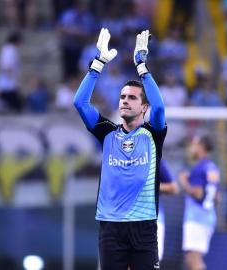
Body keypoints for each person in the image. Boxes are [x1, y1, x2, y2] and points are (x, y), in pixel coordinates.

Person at [73, 28, 166, 270]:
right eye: (122, 96)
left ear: (144, 107)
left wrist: (142, 66)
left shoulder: (153, 133)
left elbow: (160, 108)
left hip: (144, 226)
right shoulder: (107, 132)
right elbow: (80, 102)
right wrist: (98, 63)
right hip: (110, 226)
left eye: (132, 98)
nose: (124, 100)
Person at [179, 135, 221, 270]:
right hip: (208, 217)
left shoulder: (199, 168)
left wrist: (184, 182)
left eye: (194, 144)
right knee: (190, 259)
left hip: (196, 217)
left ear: (201, 147)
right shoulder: (212, 167)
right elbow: (217, 197)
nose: (191, 148)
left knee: (194, 260)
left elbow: (198, 194)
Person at [157, 159, 179, 262]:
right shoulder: (122, 159)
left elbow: (174, 188)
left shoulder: (156, 159)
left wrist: (148, 185)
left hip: (153, 219)